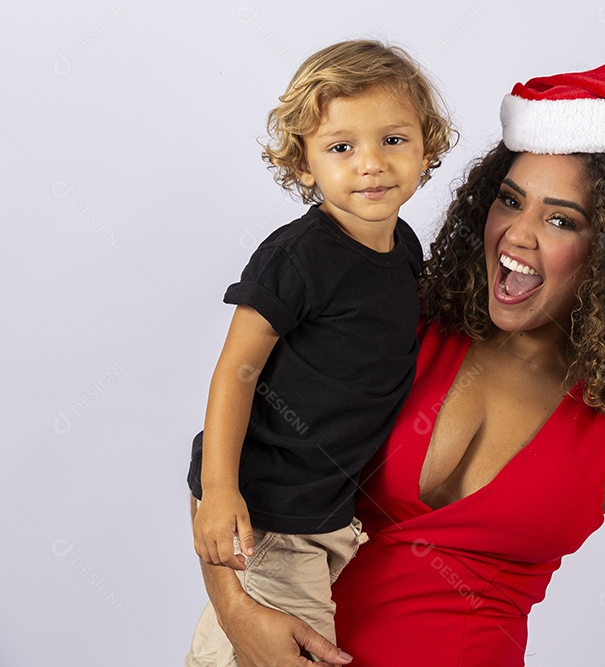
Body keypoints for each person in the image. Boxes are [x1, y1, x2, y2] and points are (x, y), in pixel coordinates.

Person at [195, 55, 605, 667]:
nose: (517, 234)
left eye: (561, 220)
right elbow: (238, 456)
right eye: (510, 199)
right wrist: (236, 611)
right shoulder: (394, 323)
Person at [184, 39, 454, 665]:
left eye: (393, 140)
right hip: (272, 513)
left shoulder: (404, 248)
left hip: (329, 512)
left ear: (427, 149)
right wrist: (221, 491)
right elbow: (237, 370)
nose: (371, 164)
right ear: (304, 166)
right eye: (341, 147)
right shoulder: (297, 256)